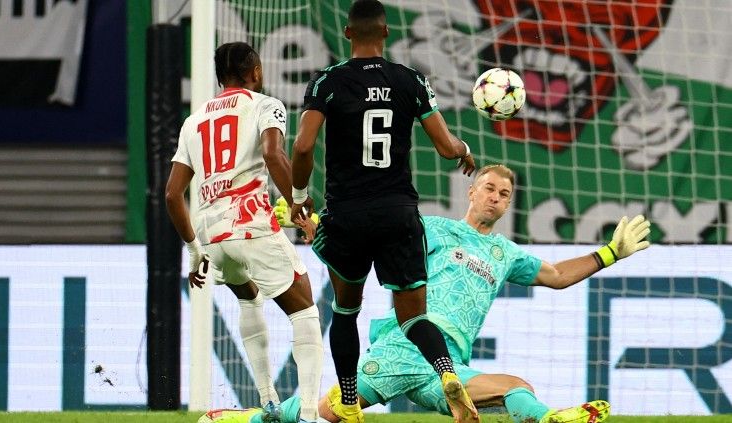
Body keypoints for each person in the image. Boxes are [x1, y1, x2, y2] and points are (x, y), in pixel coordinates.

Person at [198, 163, 649, 423]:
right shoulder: (430, 229)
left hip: (448, 365)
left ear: (509, 204)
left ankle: (550, 418)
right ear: (471, 192)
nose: (496, 196)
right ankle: (252, 417)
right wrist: (314, 228)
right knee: (325, 414)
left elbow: (556, 274)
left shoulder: (505, 253)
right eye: (489, 187)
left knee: (516, 388)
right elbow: (366, 254)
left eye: (505, 193)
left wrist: (610, 253)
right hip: (404, 347)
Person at [288, 1, 478, 422]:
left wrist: (299, 194)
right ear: (387, 32)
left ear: (347, 32)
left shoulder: (327, 83)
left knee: (345, 310)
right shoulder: (409, 81)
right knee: (413, 318)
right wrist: (464, 150)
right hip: (398, 213)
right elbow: (447, 148)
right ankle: (447, 374)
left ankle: (351, 403)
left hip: (346, 215)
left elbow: (302, 147)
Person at [165, 42, 323, 423]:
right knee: (305, 313)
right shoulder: (265, 105)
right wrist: (300, 201)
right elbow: (273, 154)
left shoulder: (194, 120)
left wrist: (193, 251)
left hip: (211, 234)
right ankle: (306, 414)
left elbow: (172, 194)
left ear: (220, 77)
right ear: (254, 71)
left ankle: (269, 403)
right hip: (249, 222)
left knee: (249, 300)